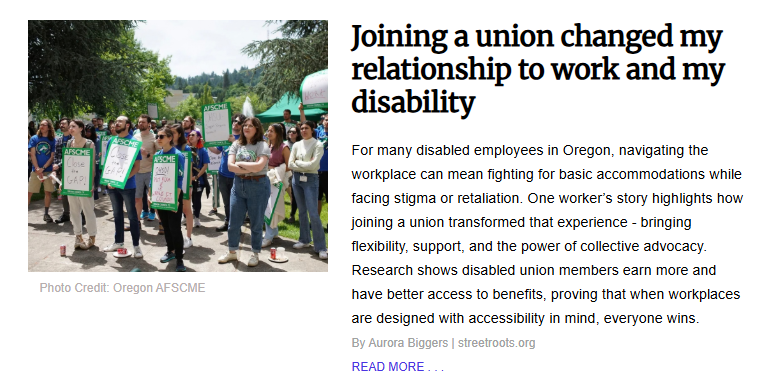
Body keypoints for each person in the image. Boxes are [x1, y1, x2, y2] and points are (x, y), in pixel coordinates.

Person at [218, 117, 271, 267]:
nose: (246, 128)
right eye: (245, 125)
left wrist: (240, 164)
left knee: (256, 222)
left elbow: (259, 167)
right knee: (234, 222)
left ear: (257, 128)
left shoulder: (262, 145)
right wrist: (249, 167)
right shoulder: (236, 144)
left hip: (258, 186)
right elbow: (230, 166)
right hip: (238, 185)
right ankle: (232, 252)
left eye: (251, 126)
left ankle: (255, 253)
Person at [102, 116, 144, 258]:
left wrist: (121, 179)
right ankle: (118, 242)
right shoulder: (111, 141)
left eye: (120, 121)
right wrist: (109, 180)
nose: (116, 123)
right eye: (116, 121)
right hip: (112, 185)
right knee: (117, 215)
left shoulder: (134, 143)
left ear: (127, 125)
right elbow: (108, 162)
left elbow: (137, 167)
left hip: (128, 186)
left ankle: (136, 246)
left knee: (132, 217)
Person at [288, 120, 327, 259]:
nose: (303, 130)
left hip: (311, 179)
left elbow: (313, 165)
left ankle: (321, 247)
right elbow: (290, 164)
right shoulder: (297, 144)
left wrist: (298, 163)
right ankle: (304, 239)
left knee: (313, 213)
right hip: (296, 179)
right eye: (302, 128)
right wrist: (303, 163)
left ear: (312, 129)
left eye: (306, 128)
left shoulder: (318, 144)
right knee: (302, 212)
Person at [154, 126, 187, 272]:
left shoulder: (178, 155)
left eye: (161, 136)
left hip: (173, 197)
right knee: (165, 227)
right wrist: (151, 196)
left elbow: (180, 179)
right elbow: (153, 179)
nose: (158, 139)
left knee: (175, 228)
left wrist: (176, 200)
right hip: (160, 196)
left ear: (169, 138)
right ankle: (170, 251)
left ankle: (180, 259)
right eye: (157, 136)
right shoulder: (157, 156)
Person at [208, 114, 244, 232]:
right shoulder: (225, 136)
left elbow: (244, 155)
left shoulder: (243, 138)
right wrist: (207, 144)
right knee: (227, 202)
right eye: (234, 121)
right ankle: (228, 222)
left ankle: (236, 226)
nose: (235, 123)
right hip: (222, 174)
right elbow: (218, 151)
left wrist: (235, 142)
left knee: (236, 203)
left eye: (239, 122)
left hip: (236, 175)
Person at [65, 120, 97, 250]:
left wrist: (91, 185)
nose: (70, 128)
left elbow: (92, 167)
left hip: (85, 183)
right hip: (72, 182)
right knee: (74, 211)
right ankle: (78, 236)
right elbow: (67, 164)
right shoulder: (68, 143)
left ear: (81, 128)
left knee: (88, 210)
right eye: (70, 126)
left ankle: (92, 236)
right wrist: (64, 183)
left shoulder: (89, 144)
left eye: (73, 126)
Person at [262, 123, 291, 248]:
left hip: (277, 182)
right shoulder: (267, 147)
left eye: (271, 131)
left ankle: (268, 237)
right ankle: (273, 232)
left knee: (271, 209)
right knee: (266, 207)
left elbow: (289, 165)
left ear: (278, 133)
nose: (268, 133)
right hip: (265, 181)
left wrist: (273, 168)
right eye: (268, 131)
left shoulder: (284, 147)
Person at [133, 114, 160, 225]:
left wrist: (147, 154)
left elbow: (160, 157)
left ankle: (158, 219)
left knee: (153, 198)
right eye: (139, 122)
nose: (141, 124)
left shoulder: (155, 138)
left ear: (149, 124)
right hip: (137, 172)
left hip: (150, 172)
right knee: (137, 198)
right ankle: (137, 221)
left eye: (143, 122)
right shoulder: (134, 137)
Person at [28, 119, 56, 222]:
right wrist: (37, 169)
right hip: (35, 170)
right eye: (40, 125)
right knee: (29, 192)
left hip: (48, 170)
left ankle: (46, 214)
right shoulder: (34, 138)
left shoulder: (53, 140)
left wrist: (43, 169)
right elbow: (32, 154)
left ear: (49, 127)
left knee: (48, 192)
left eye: (44, 125)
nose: (41, 127)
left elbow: (52, 157)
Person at [171, 124, 195, 247]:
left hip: (184, 184)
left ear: (179, 134)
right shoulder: (168, 147)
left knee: (186, 210)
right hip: (171, 185)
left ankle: (188, 238)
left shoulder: (186, 148)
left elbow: (189, 170)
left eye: (173, 133)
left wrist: (190, 186)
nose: (171, 135)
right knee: (174, 212)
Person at [52, 117, 72, 223]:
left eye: (64, 123)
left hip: (71, 170)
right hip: (60, 171)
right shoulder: (59, 139)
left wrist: (58, 165)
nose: (61, 125)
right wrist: (55, 166)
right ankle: (66, 214)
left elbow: (69, 156)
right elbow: (56, 154)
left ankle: (79, 214)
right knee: (63, 192)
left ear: (69, 125)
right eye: (60, 124)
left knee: (73, 193)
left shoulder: (73, 140)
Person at [188, 129, 209, 227]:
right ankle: (185, 216)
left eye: (193, 135)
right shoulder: (186, 149)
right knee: (186, 199)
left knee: (196, 200)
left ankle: (196, 218)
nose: (190, 136)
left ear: (198, 137)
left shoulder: (202, 150)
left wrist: (196, 176)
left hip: (198, 179)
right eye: (190, 135)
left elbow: (205, 165)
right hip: (187, 179)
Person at [284, 126, 301, 222]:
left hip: (296, 171)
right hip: (284, 171)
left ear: (297, 134)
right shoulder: (284, 144)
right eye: (289, 131)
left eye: (294, 132)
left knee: (294, 195)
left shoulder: (300, 144)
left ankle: (292, 215)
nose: (291, 133)